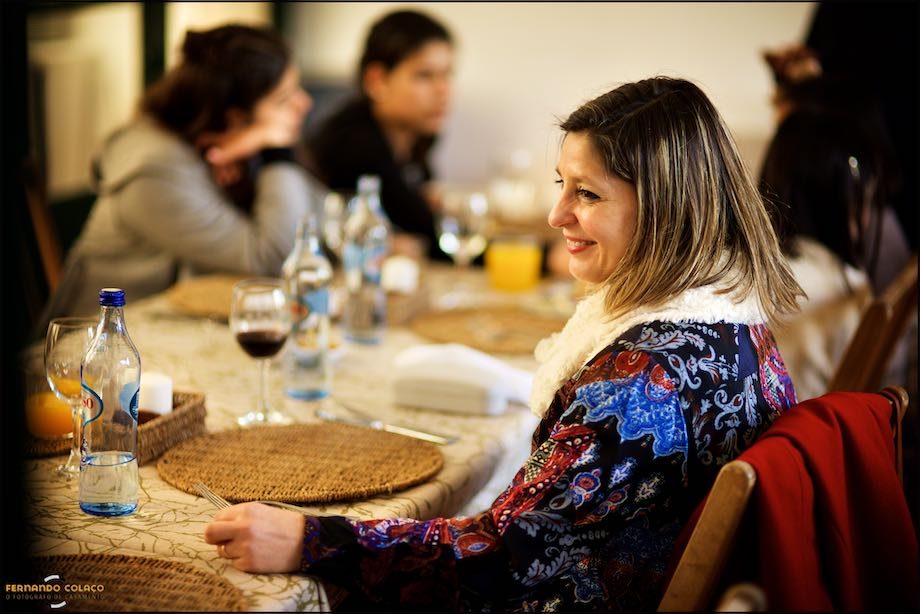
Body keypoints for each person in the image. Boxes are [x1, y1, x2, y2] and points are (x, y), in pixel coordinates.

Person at [204, 77, 802, 611]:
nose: (556, 214)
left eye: (587, 194)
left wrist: (310, 539)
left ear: (667, 210)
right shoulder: (730, 319)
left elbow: (505, 557)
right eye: (562, 185)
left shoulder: (640, 383)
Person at [41, 24, 324, 324]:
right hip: (101, 339)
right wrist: (278, 155)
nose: (304, 103)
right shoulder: (155, 171)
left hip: (183, 325)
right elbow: (275, 259)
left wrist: (262, 157)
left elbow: (322, 218)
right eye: (283, 99)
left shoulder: (235, 148)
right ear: (235, 117)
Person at [306, 9, 453, 261]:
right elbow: (436, 239)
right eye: (425, 76)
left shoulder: (414, 137)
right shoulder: (356, 145)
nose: (443, 91)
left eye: (447, 74)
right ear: (377, 81)